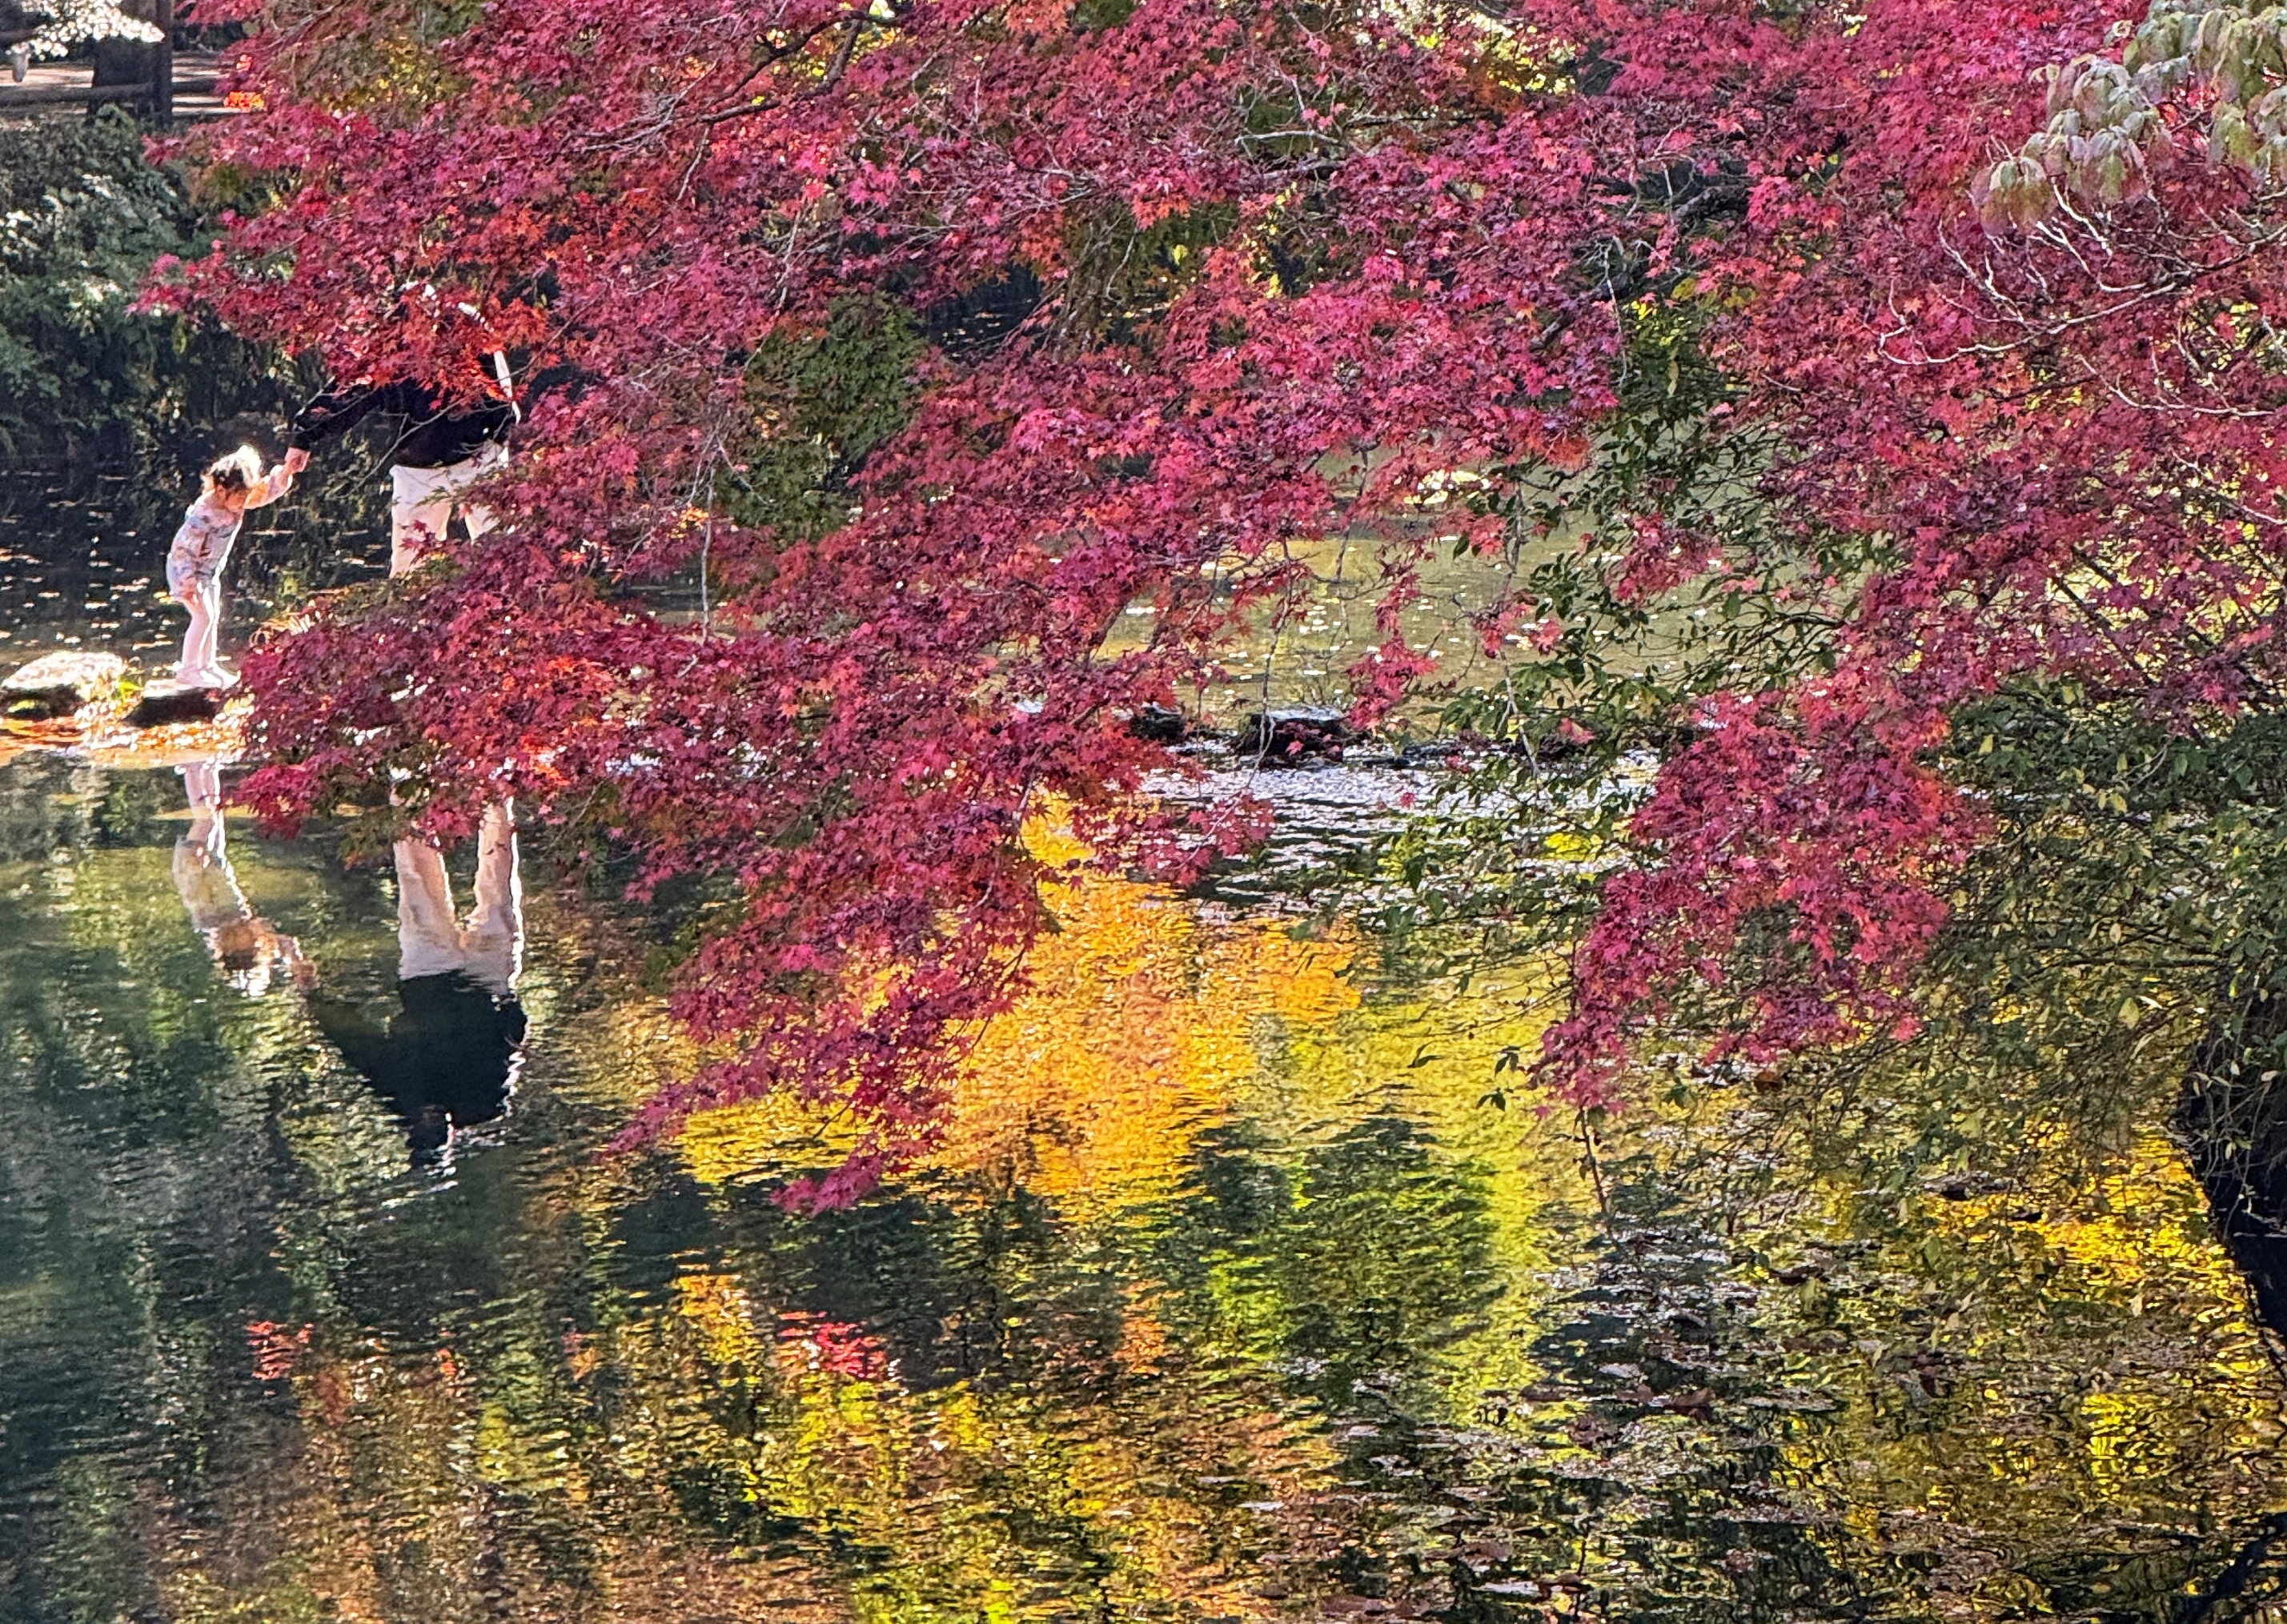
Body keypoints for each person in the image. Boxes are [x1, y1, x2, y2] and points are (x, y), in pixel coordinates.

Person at [307, 802, 528, 1166]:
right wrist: (508, 1006)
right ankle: (495, 792)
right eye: (437, 1132)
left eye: (423, 1130)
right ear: (449, 1135)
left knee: (416, 883)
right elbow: (513, 1045)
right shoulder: (485, 1105)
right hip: (487, 983)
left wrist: (315, 999)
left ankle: (408, 792)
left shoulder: (400, 1092)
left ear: (412, 1130)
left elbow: (358, 1044)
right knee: (500, 892)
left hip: (428, 977)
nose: (432, 1121)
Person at [287, 355, 545, 576]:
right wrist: (304, 436)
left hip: (479, 456)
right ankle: (414, 630)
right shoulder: (388, 341)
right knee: (410, 567)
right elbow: (348, 394)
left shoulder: (466, 325)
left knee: (500, 553)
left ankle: (503, 626)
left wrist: (501, 442)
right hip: (417, 468)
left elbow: (503, 398)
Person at [166, 444, 307, 689]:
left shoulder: (238, 499)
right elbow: (183, 549)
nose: (243, 503)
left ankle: (208, 666)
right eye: (239, 497)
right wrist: (188, 581)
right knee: (203, 617)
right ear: (221, 490)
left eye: (245, 498)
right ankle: (188, 670)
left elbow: (266, 492)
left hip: (210, 572)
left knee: (214, 616)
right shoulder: (204, 512)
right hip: (187, 572)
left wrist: (285, 472)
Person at [171, 756, 309, 996]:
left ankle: (192, 768)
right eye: (257, 947)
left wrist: (197, 859)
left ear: (232, 946)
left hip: (195, 866)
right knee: (215, 820)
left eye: (251, 945)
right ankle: (208, 768)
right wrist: (297, 965)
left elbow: (192, 886)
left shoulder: (211, 920)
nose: (256, 940)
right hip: (215, 865)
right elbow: (285, 943)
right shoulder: (247, 931)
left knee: (204, 822)